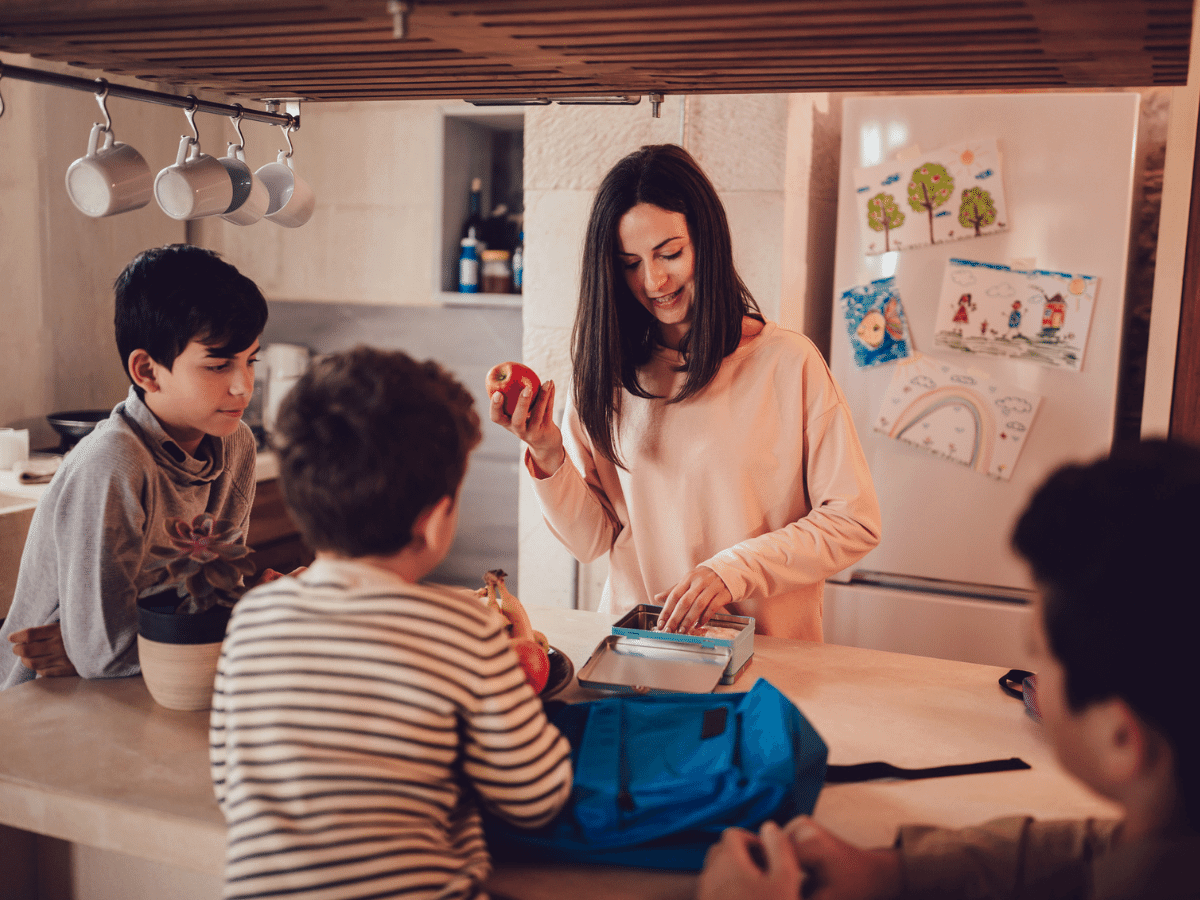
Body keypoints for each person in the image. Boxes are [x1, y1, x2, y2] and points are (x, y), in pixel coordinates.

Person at [696, 438, 1200, 900]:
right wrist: (891, 871)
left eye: (1040, 656)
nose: (1033, 684)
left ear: (1121, 740)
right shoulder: (1164, 835)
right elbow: (1091, 852)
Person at [210, 346, 573, 900]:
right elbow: (537, 796)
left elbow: (231, 784)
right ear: (434, 523)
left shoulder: (254, 618)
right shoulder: (463, 629)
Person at [492, 143, 880, 640]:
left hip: (769, 664)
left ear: (707, 239)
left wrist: (732, 570)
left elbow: (854, 521)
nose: (653, 280)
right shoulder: (606, 373)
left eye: (669, 253)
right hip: (638, 654)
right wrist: (547, 452)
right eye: (629, 263)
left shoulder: (788, 362)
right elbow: (593, 542)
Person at [1, 244, 267, 689]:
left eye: (251, 361)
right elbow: (103, 655)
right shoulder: (114, 463)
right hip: (51, 698)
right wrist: (241, 622)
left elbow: (213, 599)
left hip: (155, 682)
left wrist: (245, 610)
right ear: (147, 371)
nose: (243, 386)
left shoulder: (235, 443)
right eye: (218, 365)